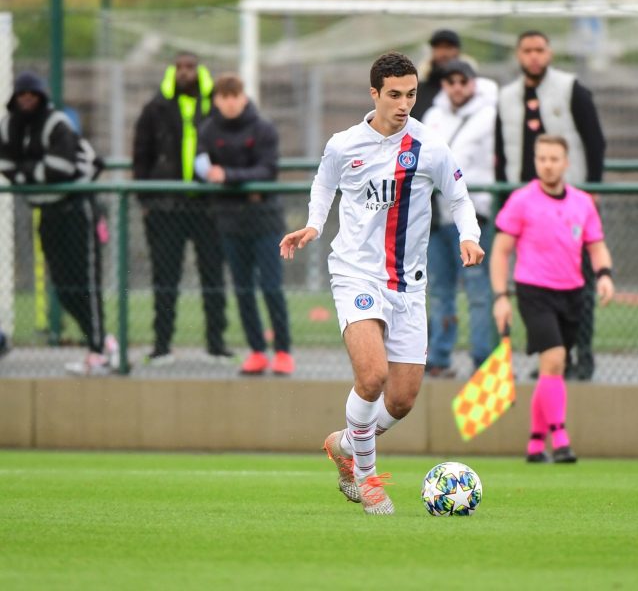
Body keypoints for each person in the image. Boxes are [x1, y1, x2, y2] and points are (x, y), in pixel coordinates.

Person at [279, 52, 484, 515]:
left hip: (409, 286)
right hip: (356, 272)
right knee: (371, 377)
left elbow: (458, 196)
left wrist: (469, 236)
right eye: (394, 94)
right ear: (374, 93)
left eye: (410, 94)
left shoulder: (428, 145)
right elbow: (323, 184)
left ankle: (347, 443)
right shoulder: (344, 144)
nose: (403, 103)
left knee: (404, 398)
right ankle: (368, 479)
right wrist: (314, 224)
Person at [491, 134, 614, 464]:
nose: (548, 164)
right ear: (535, 161)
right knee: (556, 358)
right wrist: (501, 297)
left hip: (572, 292)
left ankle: (534, 443)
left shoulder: (582, 202)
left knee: (552, 369)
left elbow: (596, 244)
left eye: (554, 159)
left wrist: (604, 275)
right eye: (542, 158)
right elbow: (500, 252)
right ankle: (560, 439)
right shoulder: (521, 200)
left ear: (566, 162)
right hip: (534, 291)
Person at [496, 30, 607, 381]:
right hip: (527, 201)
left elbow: (595, 140)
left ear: (550, 52)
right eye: (526, 50)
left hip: (570, 199)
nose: (533, 56)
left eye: (539, 50)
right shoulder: (507, 96)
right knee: (534, 283)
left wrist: (593, 187)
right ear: (518, 54)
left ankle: (581, 356)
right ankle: (550, 355)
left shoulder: (571, 88)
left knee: (580, 284)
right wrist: (504, 191)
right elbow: (501, 147)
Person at [0, 72, 113, 375]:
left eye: (32, 96)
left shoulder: (56, 123)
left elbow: (60, 169)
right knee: (63, 286)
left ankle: (99, 349)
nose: (26, 101)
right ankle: (102, 341)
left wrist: (28, 174)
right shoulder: (9, 125)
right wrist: (34, 174)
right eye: (22, 95)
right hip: (47, 213)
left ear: (40, 97)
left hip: (76, 210)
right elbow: (8, 167)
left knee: (85, 282)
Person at [133, 51, 231, 366]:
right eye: (179, 68)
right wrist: (146, 201)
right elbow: (141, 156)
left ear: (199, 70)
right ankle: (161, 345)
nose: (185, 73)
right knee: (164, 278)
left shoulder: (216, 106)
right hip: (165, 207)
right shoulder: (155, 108)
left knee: (213, 276)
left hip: (209, 208)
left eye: (190, 67)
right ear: (172, 72)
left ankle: (216, 345)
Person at [195, 73, 293, 376]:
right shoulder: (209, 129)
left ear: (243, 97)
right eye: (222, 98)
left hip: (265, 222)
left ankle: (283, 351)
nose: (228, 103)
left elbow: (267, 170)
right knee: (242, 289)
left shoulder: (263, 127)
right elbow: (201, 163)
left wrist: (228, 176)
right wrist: (207, 172)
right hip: (230, 222)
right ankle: (256, 351)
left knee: (271, 287)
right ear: (216, 101)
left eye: (233, 96)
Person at [422, 59, 495, 377]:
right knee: (440, 290)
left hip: (475, 212)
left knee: (479, 292)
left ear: (473, 83)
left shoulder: (490, 115)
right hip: (437, 215)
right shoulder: (432, 116)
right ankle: (438, 358)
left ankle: (484, 362)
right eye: (450, 81)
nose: (457, 87)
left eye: (462, 81)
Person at [410, 29, 462, 121]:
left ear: (457, 51)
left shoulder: (467, 90)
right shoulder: (418, 90)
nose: (443, 53)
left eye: (448, 47)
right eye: (438, 47)